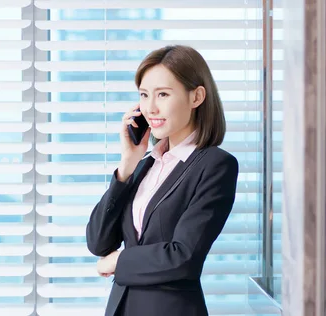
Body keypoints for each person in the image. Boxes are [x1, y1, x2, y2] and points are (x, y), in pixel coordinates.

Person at [85, 45, 239, 316]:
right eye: (144, 95)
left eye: (163, 94)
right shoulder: (145, 165)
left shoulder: (215, 165)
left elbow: (184, 256)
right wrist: (126, 167)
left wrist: (118, 261)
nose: (150, 108)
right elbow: (98, 242)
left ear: (197, 97)